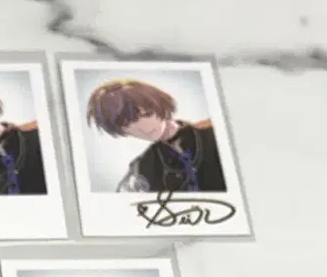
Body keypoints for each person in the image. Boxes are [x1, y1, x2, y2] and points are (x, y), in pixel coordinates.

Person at [86, 79, 227, 193]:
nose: (143, 128)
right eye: (127, 124)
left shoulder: (215, 132)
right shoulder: (141, 168)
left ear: (159, 105)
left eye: (146, 115)